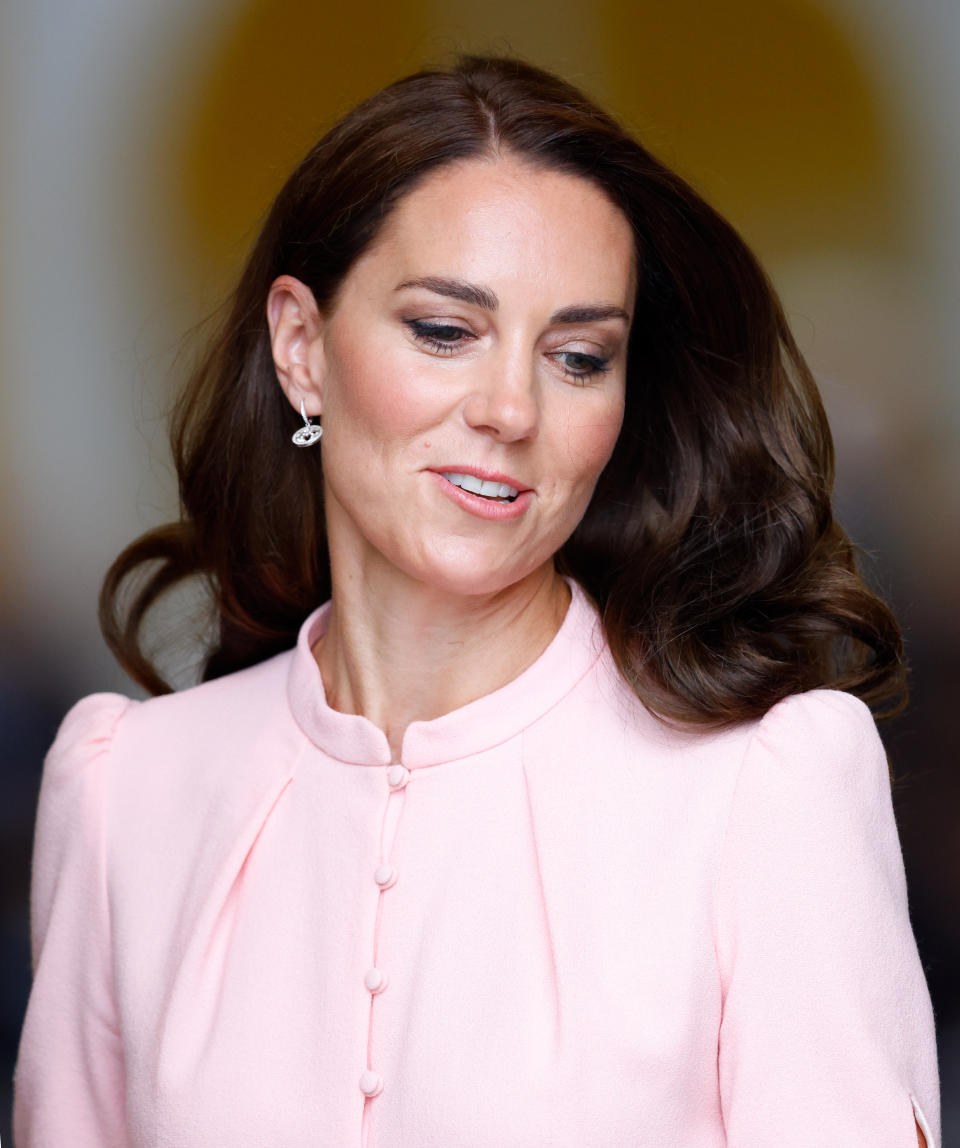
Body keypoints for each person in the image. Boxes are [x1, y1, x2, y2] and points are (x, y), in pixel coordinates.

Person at [13, 54, 940, 1147]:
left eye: (580, 356)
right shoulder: (125, 790)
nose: (509, 407)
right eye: (445, 331)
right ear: (302, 349)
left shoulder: (768, 788)